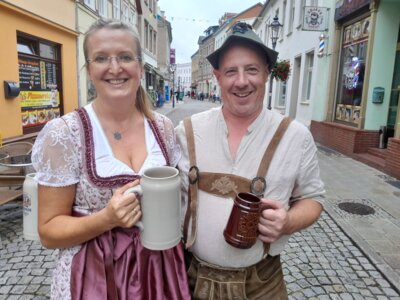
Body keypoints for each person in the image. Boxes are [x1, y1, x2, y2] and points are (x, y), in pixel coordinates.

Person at [31, 19, 190, 300]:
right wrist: (106, 219)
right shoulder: (65, 133)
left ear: (140, 68)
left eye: (125, 57)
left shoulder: (163, 128)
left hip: (158, 273)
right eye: (102, 58)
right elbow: (48, 230)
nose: (115, 68)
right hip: (92, 277)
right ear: (89, 70)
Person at [175, 22, 325, 299]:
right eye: (231, 71)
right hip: (190, 278)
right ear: (218, 77)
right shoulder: (186, 132)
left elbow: (313, 199)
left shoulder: (296, 136)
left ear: (267, 74)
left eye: (252, 69)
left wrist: (289, 221)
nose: (241, 81)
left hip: (262, 284)